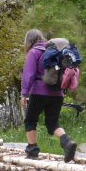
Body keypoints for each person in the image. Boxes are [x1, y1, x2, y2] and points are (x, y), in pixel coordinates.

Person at [20, 29, 77, 162]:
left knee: (30, 120)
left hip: (39, 92)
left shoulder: (34, 52)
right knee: (53, 123)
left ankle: (32, 151)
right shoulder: (56, 53)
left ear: (28, 41)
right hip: (58, 93)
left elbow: (29, 75)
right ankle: (67, 141)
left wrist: (24, 94)